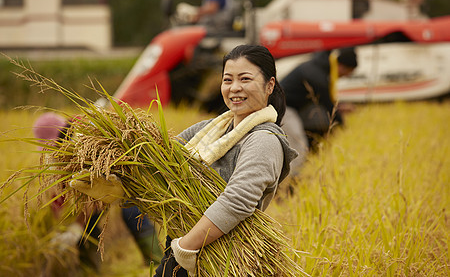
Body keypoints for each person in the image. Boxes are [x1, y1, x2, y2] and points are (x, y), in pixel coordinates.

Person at [68, 45, 298, 276]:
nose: (235, 88)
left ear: (269, 85)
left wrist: (187, 247)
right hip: (188, 246)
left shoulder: (264, 141)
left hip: (220, 256)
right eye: (227, 80)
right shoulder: (212, 129)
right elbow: (161, 161)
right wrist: (122, 181)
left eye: (245, 79)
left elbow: (237, 201)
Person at [33, 112, 163, 269]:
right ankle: (90, 269)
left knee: (132, 213)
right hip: (99, 187)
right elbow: (60, 190)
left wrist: (75, 228)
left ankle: (156, 263)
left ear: (65, 132)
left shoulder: (88, 136)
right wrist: (59, 226)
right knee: (89, 226)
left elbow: (94, 197)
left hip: (125, 177)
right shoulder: (60, 153)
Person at [280, 47, 358, 161]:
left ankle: (307, 166)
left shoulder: (321, 67)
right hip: (283, 108)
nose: (345, 76)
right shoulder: (318, 76)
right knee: (299, 145)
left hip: (296, 108)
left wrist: (340, 108)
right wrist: (343, 127)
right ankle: (294, 177)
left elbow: (325, 101)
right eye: (348, 73)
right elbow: (329, 106)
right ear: (341, 66)